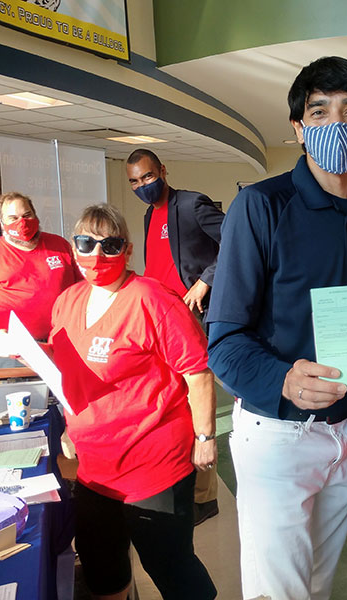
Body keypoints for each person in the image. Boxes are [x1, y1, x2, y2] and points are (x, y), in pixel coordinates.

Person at [207, 56, 347, 600]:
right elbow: (224, 343)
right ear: (298, 128)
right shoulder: (261, 206)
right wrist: (285, 378)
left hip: (345, 434)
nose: (336, 123)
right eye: (320, 111)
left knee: (317, 586)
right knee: (278, 593)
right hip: (278, 434)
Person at [0, 204, 217, 600]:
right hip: (94, 469)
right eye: (85, 243)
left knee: (171, 568)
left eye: (110, 246)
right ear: (74, 247)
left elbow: (197, 373)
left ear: (127, 250)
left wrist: (205, 437)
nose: (96, 255)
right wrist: (25, 351)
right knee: (102, 571)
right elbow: (66, 362)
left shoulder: (153, 301)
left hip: (153, 466)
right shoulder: (68, 301)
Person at [126, 147, 224, 525]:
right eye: (135, 182)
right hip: (160, 319)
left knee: (196, 399)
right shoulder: (151, 213)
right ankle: (182, 482)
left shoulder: (191, 205)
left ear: (163, 171)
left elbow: (235, 240)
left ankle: (204, 497)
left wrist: (203, 282)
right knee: (172, 402)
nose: (142, 186)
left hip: (190, 316)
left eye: (148, 178)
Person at [0, 191, 79, 380]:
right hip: (13, 351)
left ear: (35, 215)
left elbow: (83, 290)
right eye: (13, 218)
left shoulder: (59, 246)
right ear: (2, 223)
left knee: (68, 404)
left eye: (27, 215)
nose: (22, 222)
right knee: (16, 405)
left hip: (63, 343)